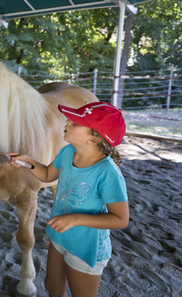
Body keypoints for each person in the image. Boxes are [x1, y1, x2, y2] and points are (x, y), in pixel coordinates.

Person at [7, 102, 129, 297]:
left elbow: (120, 219)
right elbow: (47, 174)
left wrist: (75, 219)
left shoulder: (108, 172)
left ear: (95, 137)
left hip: (87, 246)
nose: (68, 121)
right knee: (53, 286)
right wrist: (29, 161)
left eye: (76, 122)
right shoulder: (67, 152)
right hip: (60, 235)